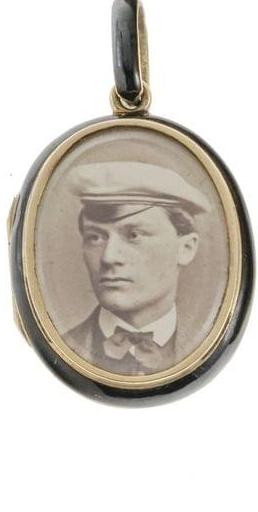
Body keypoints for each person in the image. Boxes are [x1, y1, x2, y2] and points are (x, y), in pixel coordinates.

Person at [63, 160, 210, 374]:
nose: (109, 257)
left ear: (186, 248)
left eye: (134, 235)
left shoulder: (205, 343)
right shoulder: (62, 348)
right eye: (95, 237)